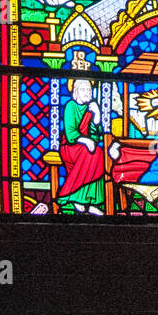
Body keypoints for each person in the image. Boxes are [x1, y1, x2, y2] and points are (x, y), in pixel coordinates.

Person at [57, 79, 105, 214]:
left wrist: (97, 115)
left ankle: (92, 202)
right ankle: (76, 197)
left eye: (89, 90)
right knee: (89, 153)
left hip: (88, 148)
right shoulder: (70, 106)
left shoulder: (91, 108)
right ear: (76, 92)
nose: (87, 93)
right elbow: (70, 132)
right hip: (70, 146)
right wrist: (86, 141)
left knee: (99, 153)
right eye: (83, 89)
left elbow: (97, 135)